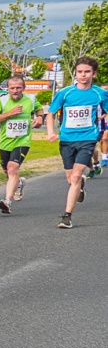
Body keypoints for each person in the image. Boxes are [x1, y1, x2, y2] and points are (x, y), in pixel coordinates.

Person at [45, 56, 108, 229]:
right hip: (66, 139)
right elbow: (50, 113)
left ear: (94, 74)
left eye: (87, 72)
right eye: (80, 72)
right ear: (75, 73)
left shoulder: (99, 93)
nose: (83, 75)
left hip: (87, 139)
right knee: (70, 177)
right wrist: (51, 132)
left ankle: (67, 216)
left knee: (75, 176)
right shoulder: (65, 93)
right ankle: (80, 184)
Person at [0, 75, 44, 214]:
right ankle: (19, 184)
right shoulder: (1, 101)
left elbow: (39, 109)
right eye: (12, 88)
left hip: (23, 141)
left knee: (12, 168)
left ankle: (7, 201)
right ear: (8, 89)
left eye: (18, 88)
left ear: (24, 88)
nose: (15, 90)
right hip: (5, 142)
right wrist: (9, 113)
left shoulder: (31, 99)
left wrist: (40, 118)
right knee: (8, 172)